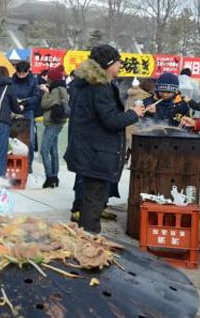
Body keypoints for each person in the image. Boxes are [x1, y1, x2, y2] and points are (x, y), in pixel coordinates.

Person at [64, 44, 144, 233]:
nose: (120, 66)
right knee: (94, 201)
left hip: (88, 150)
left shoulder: (85, 84)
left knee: (90, 198)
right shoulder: (100, 87)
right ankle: (90, 244)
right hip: (96, 153)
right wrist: (134, 113)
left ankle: (86, 239)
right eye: (118, 62)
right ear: (108, 64)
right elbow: (111, 121)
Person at [39, 65, 68, 188]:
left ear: (52, 79)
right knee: (53, 151)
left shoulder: (55, 91)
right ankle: (55, 177)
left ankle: (49, 177)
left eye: (49, 78)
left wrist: (45, 93)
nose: (47, 79)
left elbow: (45, 104)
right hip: (58, 122)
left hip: (52, 123)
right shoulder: (62, 89)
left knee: (44, 150)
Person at [11, 61, 41, 174]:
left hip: (28, 111)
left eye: (24, 73)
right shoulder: (12, 80)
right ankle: (16, 163)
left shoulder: (33, 80)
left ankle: (28, 164)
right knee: (15, 139)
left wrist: (25, 103)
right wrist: (15, 103)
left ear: (28, 71)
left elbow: (36, 96)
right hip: (14, 111)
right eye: (19, 73)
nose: (21, 75)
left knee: (30, 140)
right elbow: (10, 94)